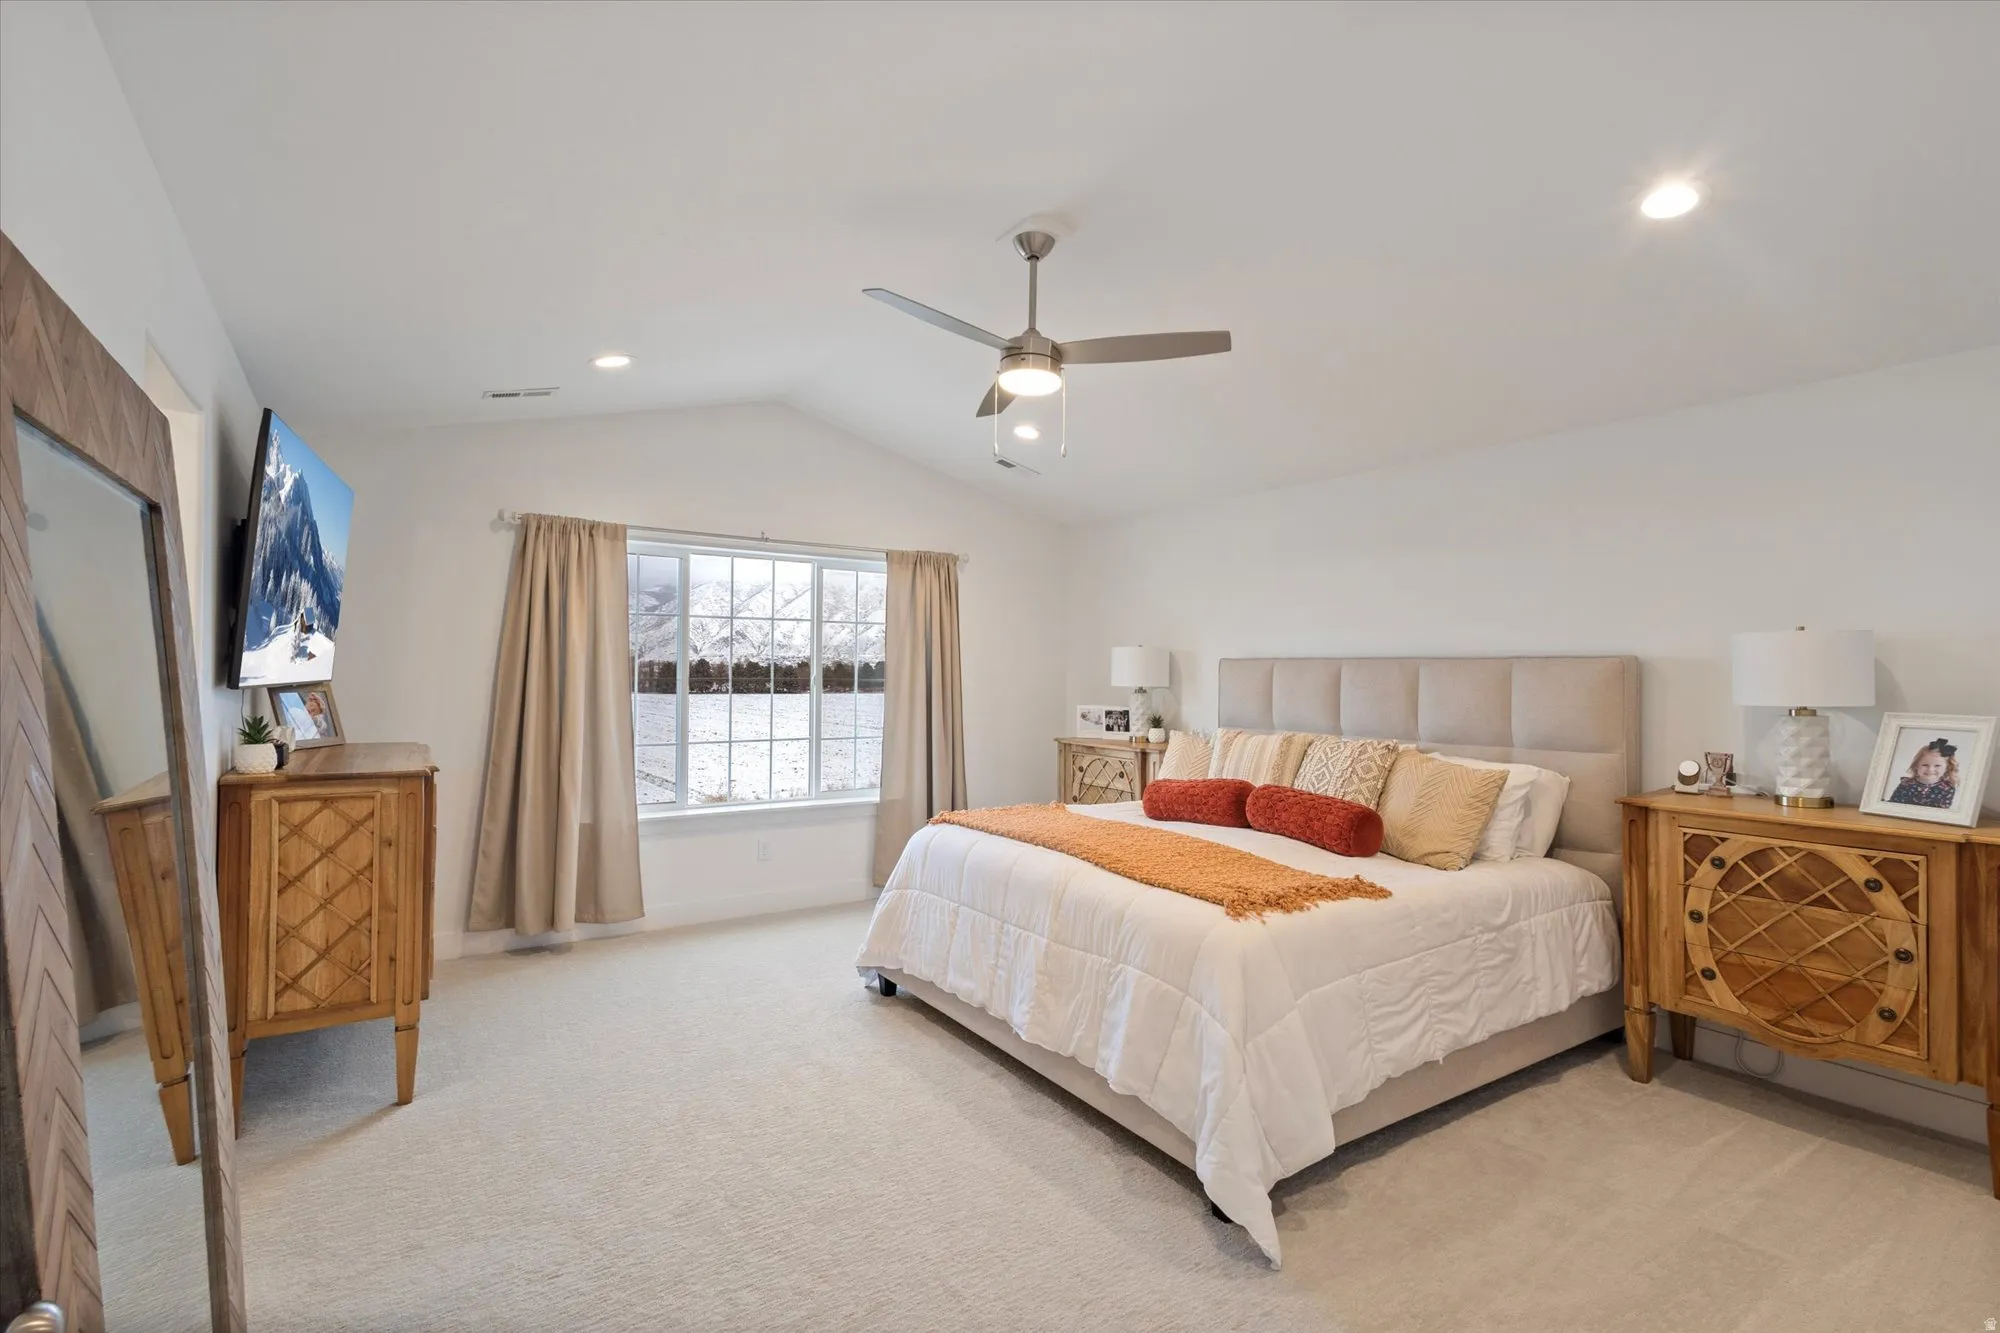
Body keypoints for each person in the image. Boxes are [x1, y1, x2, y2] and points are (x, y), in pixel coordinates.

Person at [1886, 737, 1958, 809]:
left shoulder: (1947, 789)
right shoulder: (1905, 784)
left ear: (1947, 767)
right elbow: (1893, 805)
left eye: (1937, 766)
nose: (1930, 769)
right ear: (1917, 765)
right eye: (1925, 765)